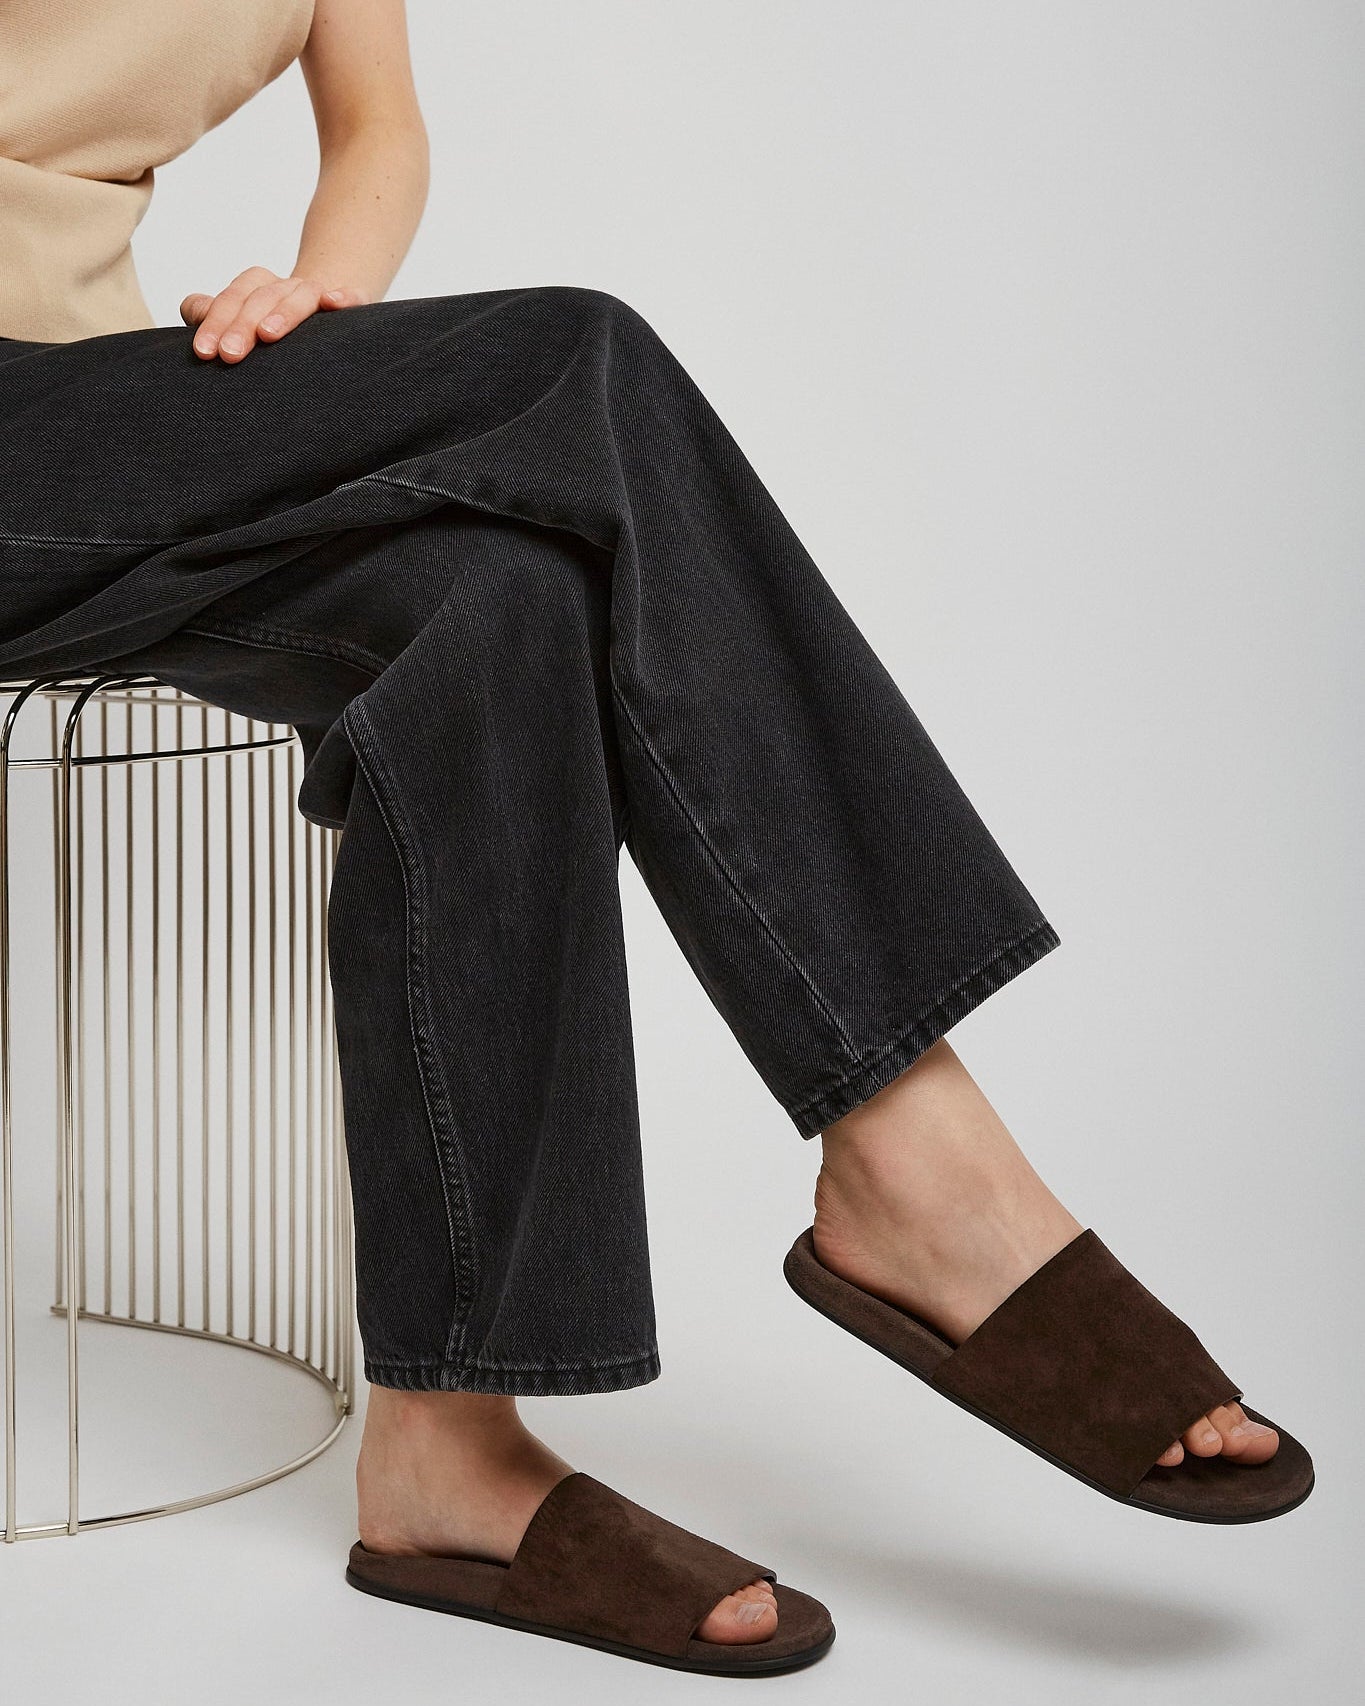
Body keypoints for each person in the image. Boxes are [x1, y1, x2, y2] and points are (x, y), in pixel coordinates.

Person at [0, 0, 1312, 1678]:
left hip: (100, 440)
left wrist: (320, 289)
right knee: (576, 360)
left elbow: (377, 128)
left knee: (501, 597)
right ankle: (915, 1155)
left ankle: (445, 1444)